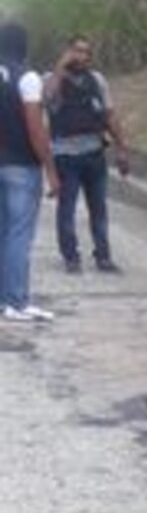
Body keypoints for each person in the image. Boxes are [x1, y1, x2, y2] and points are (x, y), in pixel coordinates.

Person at [44, 34, 129, 274]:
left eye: (86, 52)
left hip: (94, 154)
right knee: (67, 209)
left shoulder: (97, 80)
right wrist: (60, 68)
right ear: (67, 52)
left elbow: (109, 115)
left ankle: (103, 256)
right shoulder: (52, 78)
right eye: (77, 51)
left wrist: (122, 149)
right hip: (65, 156)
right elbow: (47, 97)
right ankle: (71, 257)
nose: (81, 56)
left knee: (99, 209)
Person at [0, 21, 60, 322]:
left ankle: (4, 301)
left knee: (3, 233)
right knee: (19, 235)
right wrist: (51, 169)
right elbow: (36, 129)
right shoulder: (27, 77)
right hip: (21, 166)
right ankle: (16, 301)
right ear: (24, 46)